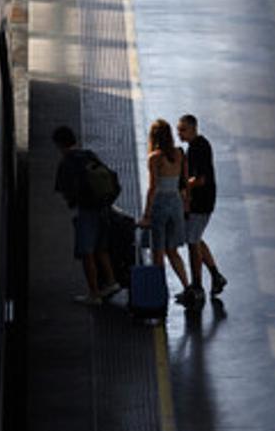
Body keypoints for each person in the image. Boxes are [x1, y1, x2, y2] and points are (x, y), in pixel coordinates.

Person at [52, 125, 122, 305]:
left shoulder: (67, 162)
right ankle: (111, 281)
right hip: (103, 208)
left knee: (87, 252)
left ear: (60, 145)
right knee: (101, 248)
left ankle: (94, 294)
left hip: (86, 211)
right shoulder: (89, 154)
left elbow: (63, 190)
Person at [138, 118, 193, 305]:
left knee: (158, 252)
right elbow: (184, 183)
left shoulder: (155, 158)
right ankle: (187, 287)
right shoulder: (179, 153)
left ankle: (159, 294)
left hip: (160, 204)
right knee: (173, 250)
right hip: (176, 204)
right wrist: (186, 204)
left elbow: (153, 188)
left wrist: (146, 214)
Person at [177, 114, 227, 300]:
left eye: (183, 129)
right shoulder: (195, 147)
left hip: (201, 202)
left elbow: (200, 179)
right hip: (200, 202)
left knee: (192, 242)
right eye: (178, 130)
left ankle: (197, 285)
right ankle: (215, 276)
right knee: (196, 239)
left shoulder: (198, 148)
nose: (179, 134)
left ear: (194, 128)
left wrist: (181, 186)